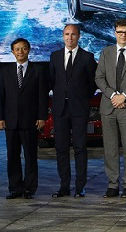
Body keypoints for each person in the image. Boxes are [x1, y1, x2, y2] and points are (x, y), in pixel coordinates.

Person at [95, 18, 126, 198]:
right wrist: (113, 96)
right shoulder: (106, 52)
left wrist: (123, 96)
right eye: (119, 32)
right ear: (114, 32)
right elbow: (99, 77)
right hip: (108, 106)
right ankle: (112, 184)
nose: (123, 35)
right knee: (110, 148)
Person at [49, 22, 98, 198]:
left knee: (80, 148)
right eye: (67, 34)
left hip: (79, 109)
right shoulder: (55, 56)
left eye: (73, 34)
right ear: (63, 36)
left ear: (79, 36)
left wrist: (82, 98)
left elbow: (92, 83)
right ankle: (64, 186)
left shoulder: (87, 57)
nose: (70, 38)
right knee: (61, 148)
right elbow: (53, 80)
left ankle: (79, 187)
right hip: (60, 109)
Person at [0, 38, 47, 199]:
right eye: (17, 49)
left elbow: (42, 96)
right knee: (12, 156)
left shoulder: (38, 70)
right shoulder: (5, 71)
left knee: (30, 156)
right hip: (10, 121)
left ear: (29, 50)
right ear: (12, 52)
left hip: (30, 121)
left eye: (23, 48)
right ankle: (15, 188)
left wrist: (42, 117)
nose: (20, 52)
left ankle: (29, 188)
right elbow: (0, 96)